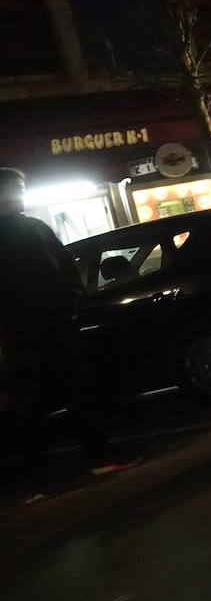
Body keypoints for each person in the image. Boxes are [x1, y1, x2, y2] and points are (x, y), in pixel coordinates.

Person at [0, 168, 139, 503]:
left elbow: (63, 269)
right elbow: (62, 269)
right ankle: (91, 460)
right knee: (65, 394)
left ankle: (38, 479)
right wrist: (69, 301)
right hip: (43, 328)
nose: (19, 195)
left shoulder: (31, 228)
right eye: (13, 189)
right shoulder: (31, 230)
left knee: (41, 403)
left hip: (28, 331)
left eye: (20, 188)